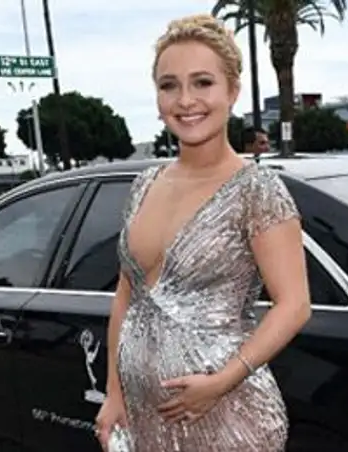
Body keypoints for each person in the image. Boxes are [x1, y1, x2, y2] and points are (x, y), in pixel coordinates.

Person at [95, 14, 311, 452]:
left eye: (203, 83)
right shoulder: (145, 185)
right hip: (145, 416)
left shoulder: (256, 190)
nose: (185, 100)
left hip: (230, 415)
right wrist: (114, 393)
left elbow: (294, 305)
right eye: (169, 85)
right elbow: (126, 296)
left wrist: (222, 381)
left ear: (232, 91)